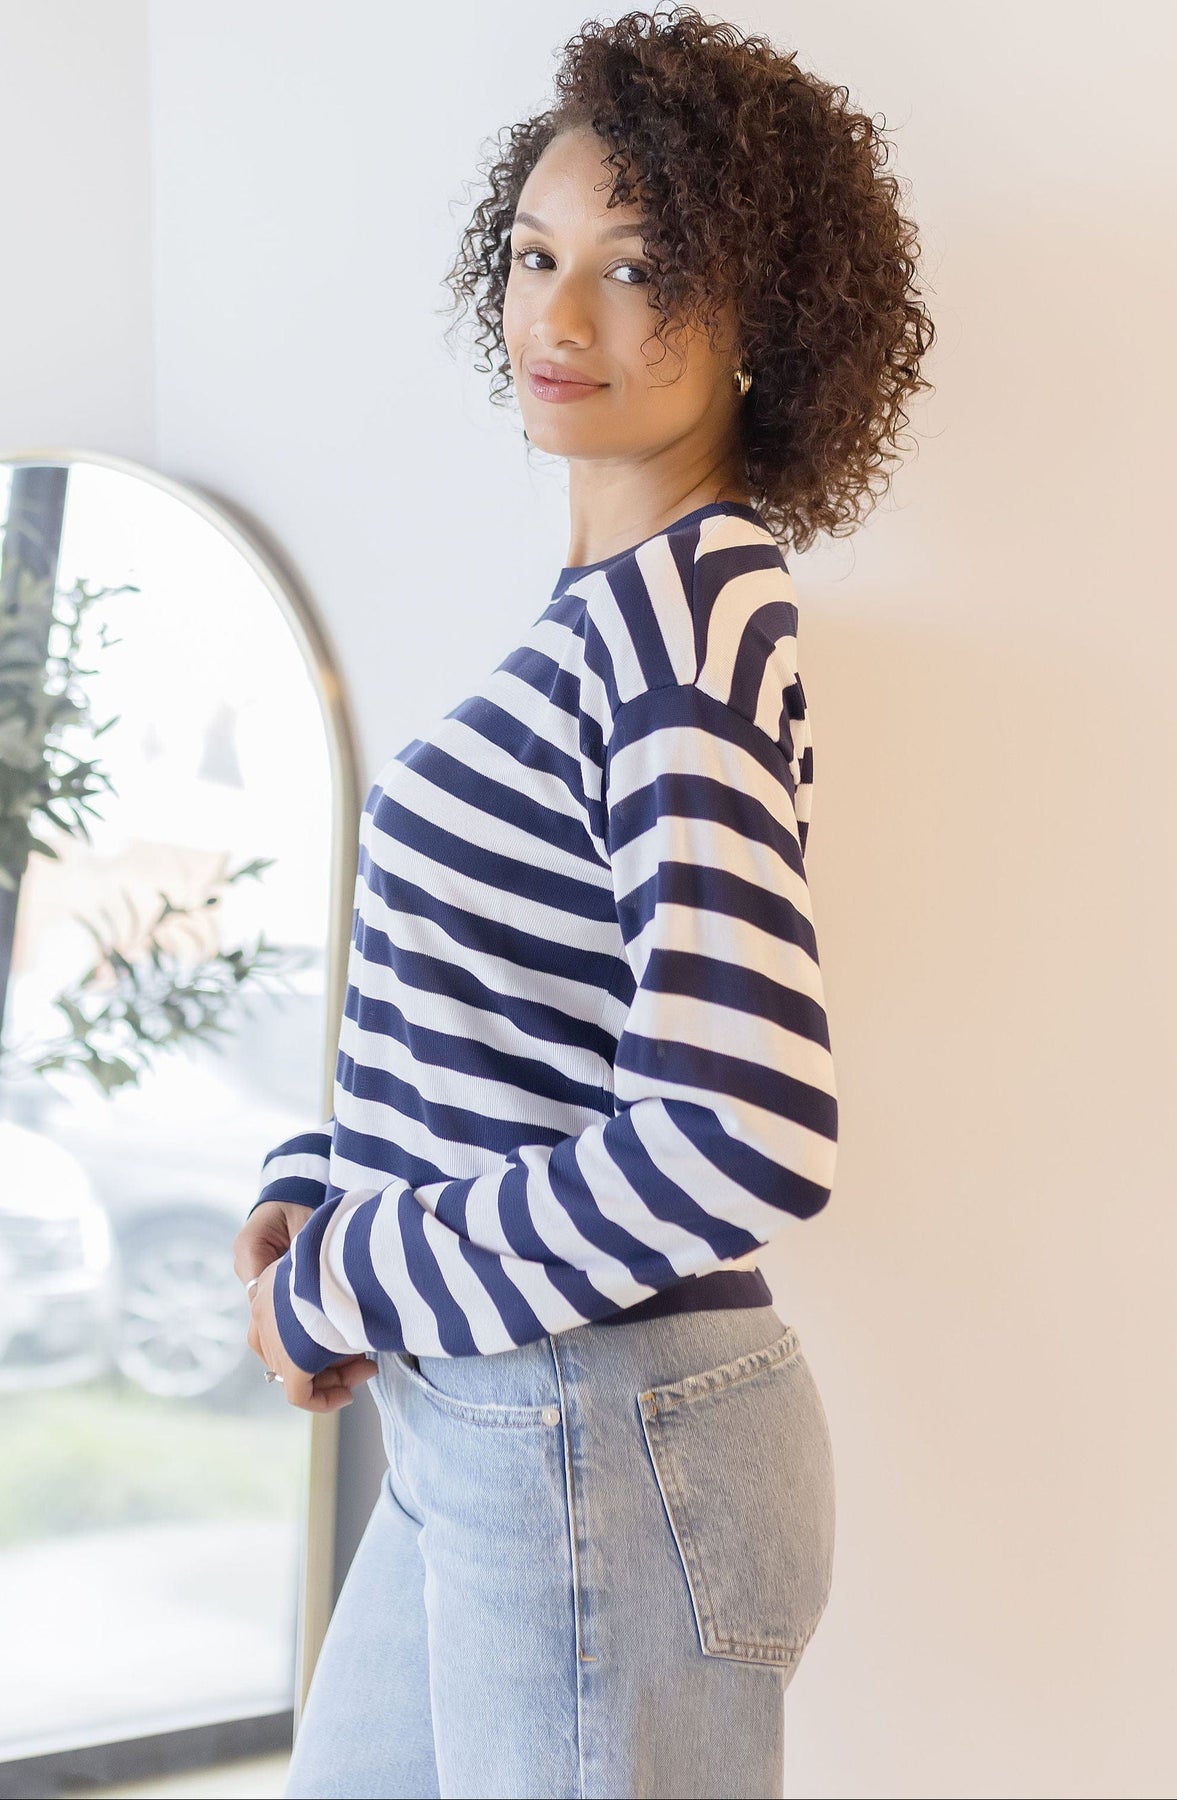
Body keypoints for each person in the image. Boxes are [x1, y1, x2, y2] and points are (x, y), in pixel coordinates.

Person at [233, 9, 934, 1795]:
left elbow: (741, 1130)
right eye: (537, 256)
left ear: (767, 319)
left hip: (599, 1432)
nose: (561, 320)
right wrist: (331, 1185)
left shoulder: (685, 628)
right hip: (502, 1419)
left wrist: (357, 1274)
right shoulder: (616, 614)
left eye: (639, 272)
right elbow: (531, 1025)